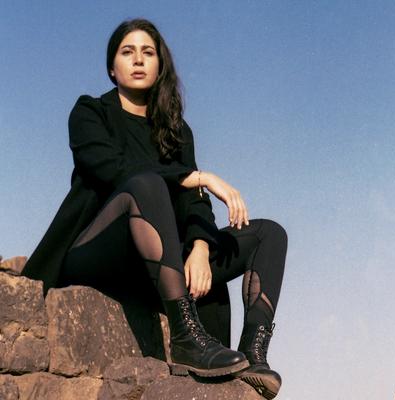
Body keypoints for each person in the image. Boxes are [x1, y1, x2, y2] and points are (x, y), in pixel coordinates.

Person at [22, 19, 287, 399]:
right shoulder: (90, 112)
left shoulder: (176, 130)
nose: (138, 60)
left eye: (148, 52)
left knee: (268, 233)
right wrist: (197, 176)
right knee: (144, 184)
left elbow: (193, 201)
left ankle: (254, 356)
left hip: (159, 262)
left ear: (159, 65)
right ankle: (185, 336)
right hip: (99, 252)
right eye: (127, 52)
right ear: (112, 68)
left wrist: (199, 248)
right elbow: (113, 169)